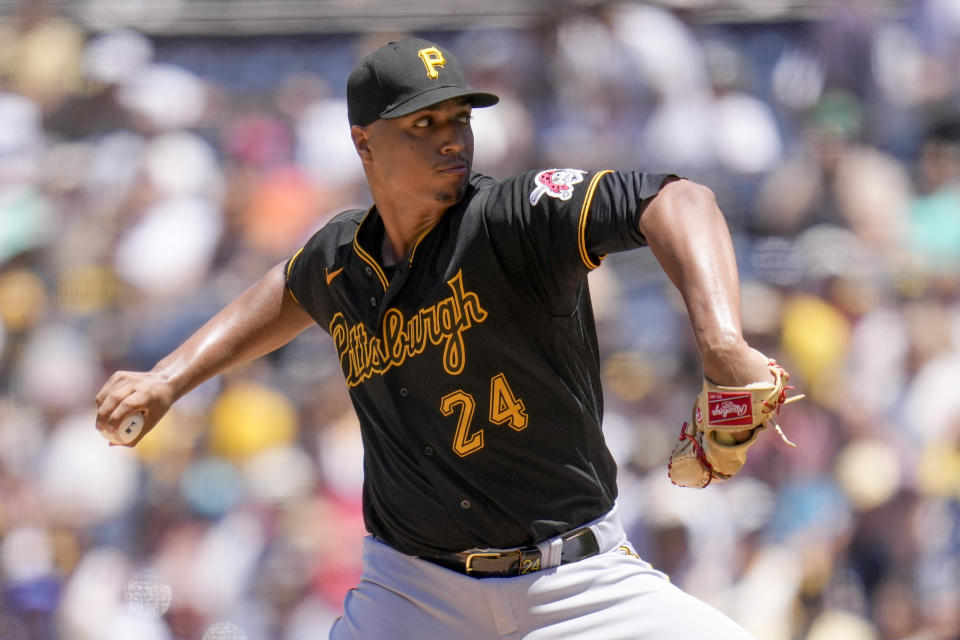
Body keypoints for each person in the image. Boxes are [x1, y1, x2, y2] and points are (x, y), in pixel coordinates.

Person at [96, 38, 775, 639]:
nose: (451, 138)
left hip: (577, 585)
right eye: (424, 123)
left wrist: (719, 339)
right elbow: (289, 287)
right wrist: (168, 378)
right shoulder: (341, 258)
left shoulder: (511, 218)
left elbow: (679, 200)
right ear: (364, 143)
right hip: (414, 594)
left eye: (459, 120)